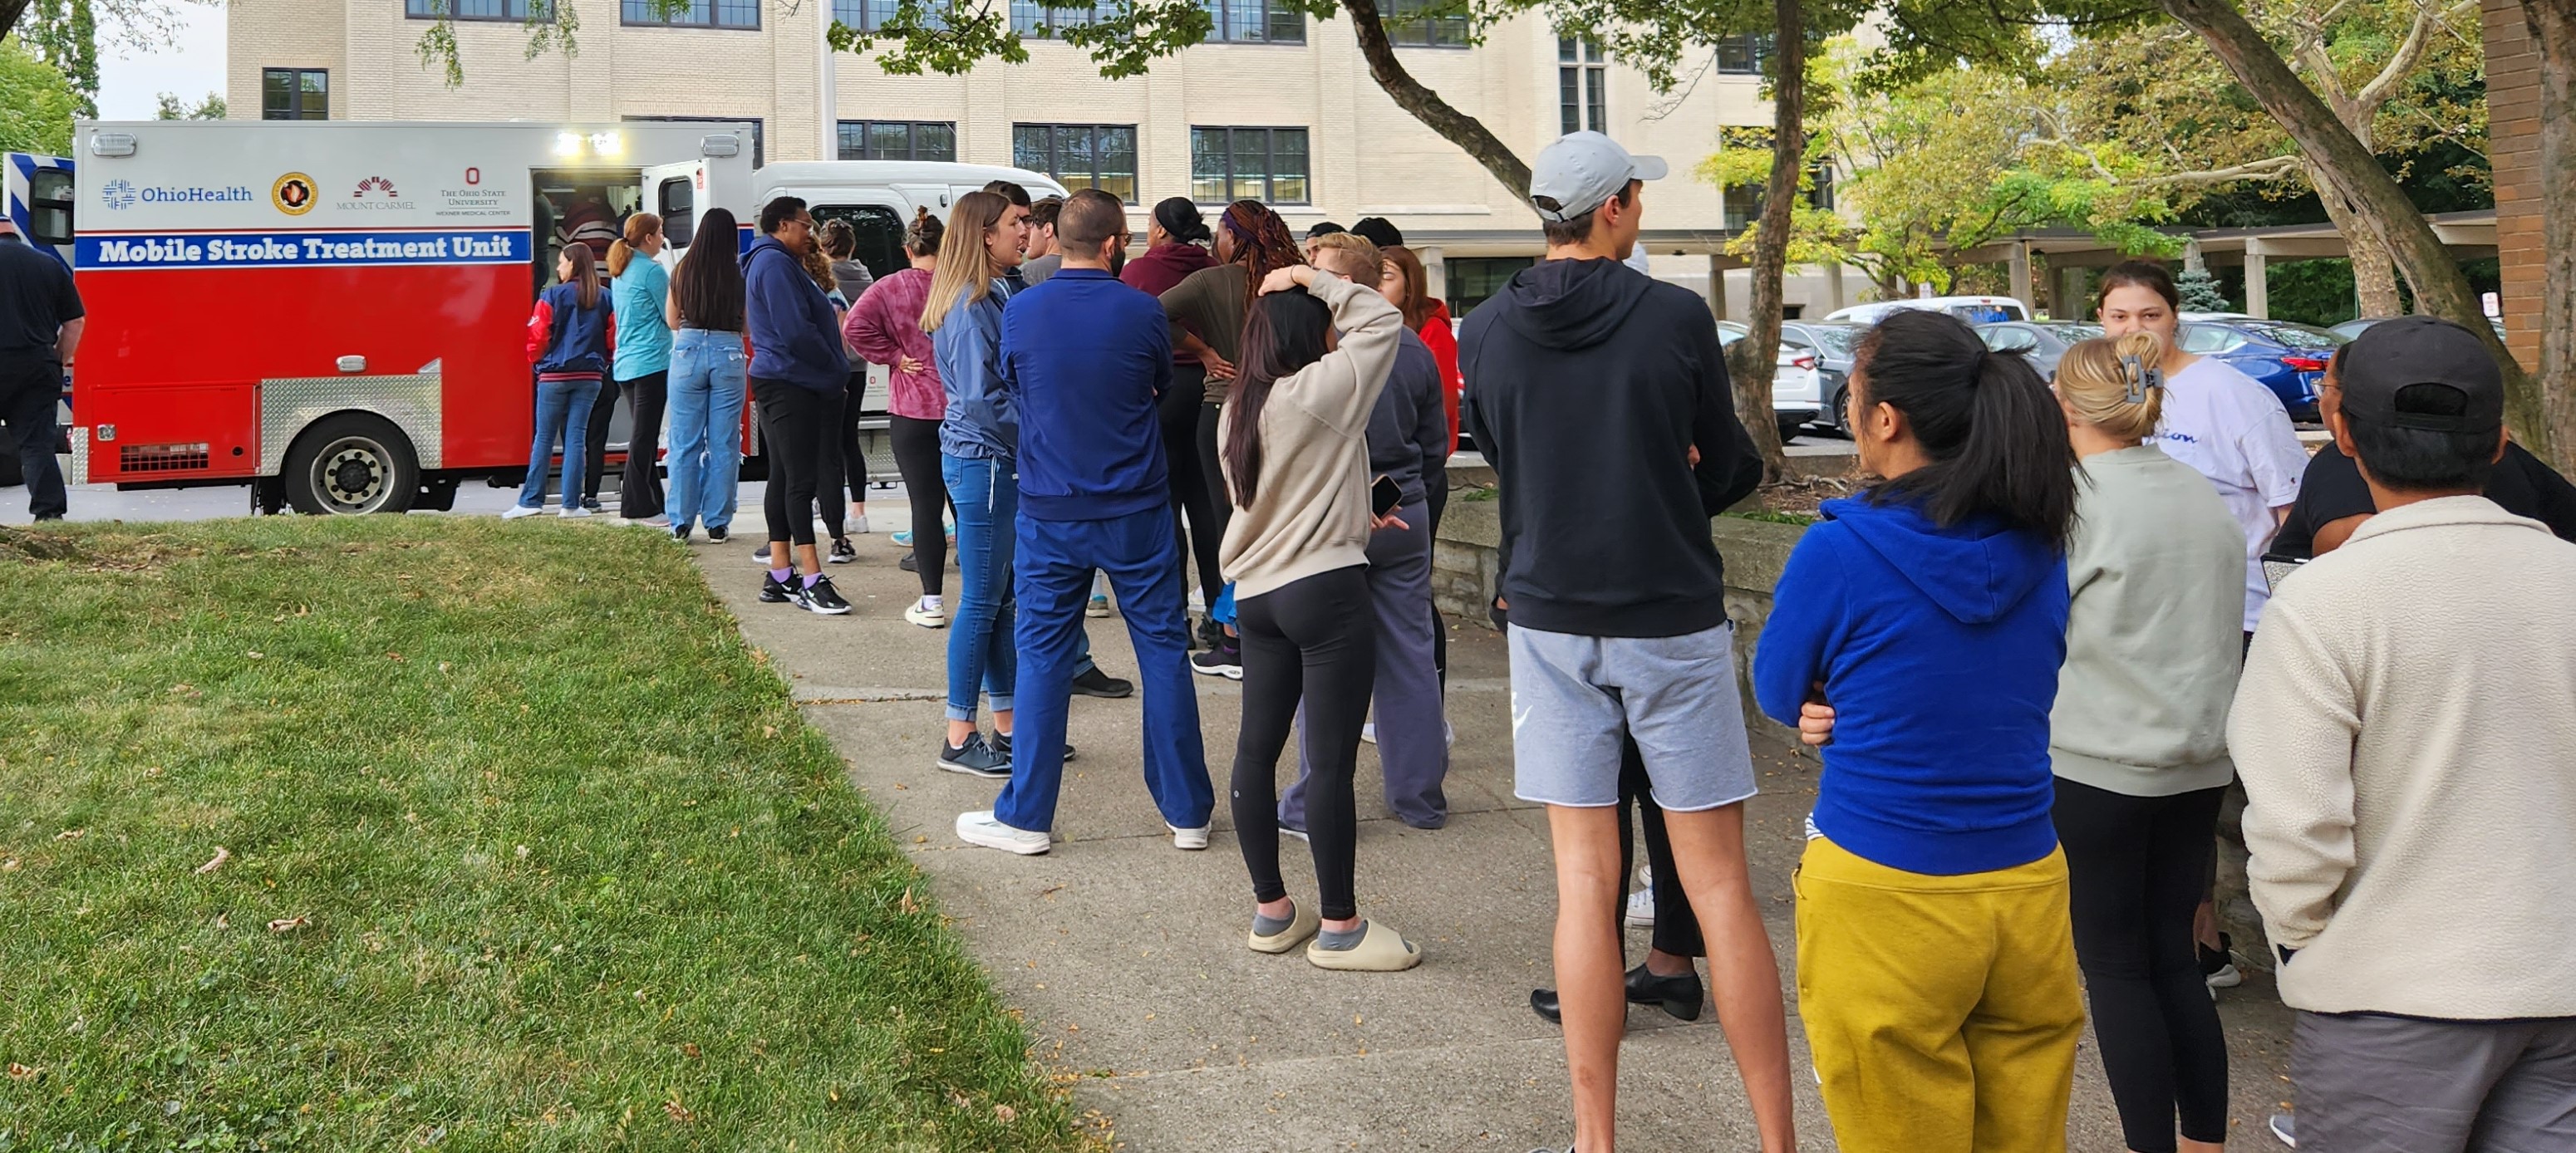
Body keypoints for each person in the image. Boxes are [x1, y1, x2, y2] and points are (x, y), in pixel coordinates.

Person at [1461, 131, 1789, 1153]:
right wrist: (1665, 494)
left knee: (1584, 881)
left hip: (1548, 615)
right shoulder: (1673, 315)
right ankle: (1776, 1138)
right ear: (1613, 208)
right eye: (1636, 193)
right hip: (1667, 615)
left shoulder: (1483, 329)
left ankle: (1593, 1137)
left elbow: (1510, 462)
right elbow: (1735, 465)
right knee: (1719, 881)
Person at [2230, 316, 2576, 1153]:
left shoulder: (2322, 602)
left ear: (2342, 433)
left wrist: (2306, 948)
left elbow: (2295, 827)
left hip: (2387, 991)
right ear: (2497, 441)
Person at [1751, 309, 2083, 1153]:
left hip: (1883, 887)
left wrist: (1823, 699)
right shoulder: (2040, 546)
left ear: (1886, 417)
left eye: (1852, 392)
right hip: (2027, 886)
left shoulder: (1839, 552)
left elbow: (1776, 685)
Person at [955, 190, 1217, 855]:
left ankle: (1027, 818)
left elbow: (1012, 388)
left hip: (1051, 507)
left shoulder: (1022, 310)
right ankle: (1187, 812)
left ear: (1059, 237)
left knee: (1042, 656)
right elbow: (1157, 384)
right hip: (1136, 505)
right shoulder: (1142, 311)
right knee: (1162, 650)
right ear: (1112, 243)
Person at [2048, 332, 2245, 1153]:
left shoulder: (2070, 502)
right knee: (2174, 958)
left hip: (2096, 760)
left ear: (2065, 405)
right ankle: (2203, 1140)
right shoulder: (2199, 494)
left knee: (2116, 968)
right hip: (2196, 761)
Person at [2094, 258, 2306, 987]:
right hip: (2134, 624)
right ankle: (2199, 950)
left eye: (2147, 315)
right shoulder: (2095, 398)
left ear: (2173, 316)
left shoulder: (2232, 396)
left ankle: (2297, 953)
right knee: (2170, 794)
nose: (2134, 330)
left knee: (2257, 795)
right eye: (2118, 316)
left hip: (2238, 622)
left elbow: (2291, 518)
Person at [1219, 261, 1421, 973]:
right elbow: (1384, 318)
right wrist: (1311, 274)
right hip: (1325, 592)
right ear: (1313, 332)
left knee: (1255, 749)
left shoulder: (1238, 408)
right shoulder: (1320, 388)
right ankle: (1341, 926)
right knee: (1330, 763)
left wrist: (1355, 508)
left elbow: (1282, 489)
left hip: (1259, 594)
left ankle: (1272, 911)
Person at [1275, 232, 1451, 832]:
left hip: (1331, 514)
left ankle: (1305, 803)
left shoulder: (1316, 349)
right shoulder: (1413, 349)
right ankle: (1420, 798)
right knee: (1410, 659)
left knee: (1318, 665)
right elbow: (1435, 445)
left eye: (1311, 272)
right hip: (1405, 506)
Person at [1163, 200, 1305, 674]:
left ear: (1234, 236)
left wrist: (1202, 350)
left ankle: (1235, 641)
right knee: (1281, 519)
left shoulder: (1210, 281)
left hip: (1225, 407)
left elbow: (1150, 315)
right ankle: (1282, 631)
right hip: (1290, 410)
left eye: (1220, 232)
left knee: (1231, 522)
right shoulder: (1296, 280)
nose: (1214, 242)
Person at [2276, 345, 2576, 557]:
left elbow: (2344, 544)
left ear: (2346, 433)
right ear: (2500, 441)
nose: (2320, 401)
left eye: (2325, 387)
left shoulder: (2315, 597)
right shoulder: (2556, 569)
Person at [922, 189, 1030, 777]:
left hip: (994, 459)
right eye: (1017, 222)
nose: (1027, 229)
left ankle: (1009, 729)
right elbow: (981, 400)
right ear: (985, 235)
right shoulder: (968, 304)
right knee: (983, 602)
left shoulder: (1000, 291)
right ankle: (959, 737)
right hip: (985, 461)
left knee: (1002, 602)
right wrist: (1040, 435)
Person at [743, 196, 854, 615]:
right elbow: (795, 331)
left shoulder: (774, 262)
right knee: (800, 482)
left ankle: (780, 573)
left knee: (785, 476)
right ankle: (811, 578)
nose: (811, 233)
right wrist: (835, 365)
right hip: (792, 381)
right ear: (784, 225)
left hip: (786, 378)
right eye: (806, 225)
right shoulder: (773, 264)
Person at [1123, 197, 1226, 624]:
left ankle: (1174, 616)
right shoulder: (1215, 269)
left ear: (1162, 229)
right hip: (1213, 389)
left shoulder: (1140, 271)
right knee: (1210, 508)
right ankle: (1222, 619)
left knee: (1165, 507)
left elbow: (1133, 324)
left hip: (1161, 391)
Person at [848, 208, 951, 628]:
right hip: (962, 410)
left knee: (925, 507)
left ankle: (931, 601)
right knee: (972, 508)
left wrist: (892, 356)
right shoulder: (963, 287)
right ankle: (996, 597)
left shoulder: (889, 288)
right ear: (946, 247)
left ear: (908, 249)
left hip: (911, 410)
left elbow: (854, 327)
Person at [1377, 243, 1461, 685]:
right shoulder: (1366, 334)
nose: (1376, 284)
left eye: (1387, 275)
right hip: (1387, 486)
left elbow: (1440, 428)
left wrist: (1388, 495)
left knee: (1413, 602)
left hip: (1414, 483)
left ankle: (1431, 705)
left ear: (1411, 284)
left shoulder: (1430, 335)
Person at [506, 244, 614, 520]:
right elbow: (613, 337)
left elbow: (538, 335)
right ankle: (570, 505)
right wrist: (603, 362)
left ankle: (531, 501)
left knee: (544, 438)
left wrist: (537, 362)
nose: (558, 268)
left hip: (554, 376)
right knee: (576, 439)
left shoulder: (552, 295)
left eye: (562, 262)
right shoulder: (605, 297)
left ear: (573, 264)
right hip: (590, 376)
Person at [664, 207, 750, 544]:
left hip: (687, 350)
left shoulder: (682, 270)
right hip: (728, 350)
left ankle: (681, 523)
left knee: (684, 442)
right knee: (724, 442)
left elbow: (672, 320)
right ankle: (717, 522)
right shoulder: (738, 273)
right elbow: (747, 326)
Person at [0, 213, 78, 521]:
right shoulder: (47, 265)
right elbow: (75, 322)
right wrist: (58, 358)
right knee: (36, 445)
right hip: (36, 367)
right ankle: (49, 516)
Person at [607, 213, 672, 527]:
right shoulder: (652, 272)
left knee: (641, 435)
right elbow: (671, 316)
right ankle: (635, 508)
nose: (662, 238)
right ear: (648, 238)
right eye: (660, 233)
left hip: (627, 364)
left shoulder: (621, 269)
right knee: (644, 439)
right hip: (652, 362)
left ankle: (653, 502)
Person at [815, 218, 874, 560]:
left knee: (828, 442)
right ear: (853, 248)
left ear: (824, 246)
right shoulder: (866, 278)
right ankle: (859, 512)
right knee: (850, 436)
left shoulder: (822, 279)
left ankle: (829, 508)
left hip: (828, 366)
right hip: (858, 365)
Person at [1018, 195, 1065, 285]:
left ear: (1048, 230)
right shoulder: (1082, 267)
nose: (1024, 233)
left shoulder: (1029, 272)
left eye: (1030, 224)